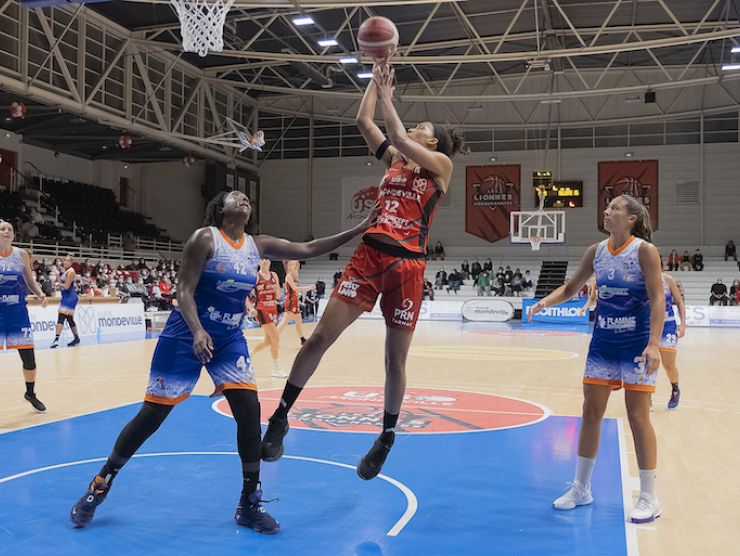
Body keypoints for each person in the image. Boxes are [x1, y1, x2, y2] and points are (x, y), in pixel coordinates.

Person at [68, 190, 378, 533]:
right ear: (220, 210)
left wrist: (360, 228)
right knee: (152, 416)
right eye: (235, 196)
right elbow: (183, 290)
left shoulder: (256, 245)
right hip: (186, 333)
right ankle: (101, 483)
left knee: (249, 412)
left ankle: (249, 503)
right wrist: (199, 331)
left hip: (230, 338)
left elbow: (309, 248)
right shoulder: (205, 238)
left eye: (247, 198)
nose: (243, 199)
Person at [260, 59, 466, 481]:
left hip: (408, 266)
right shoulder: (394, 159)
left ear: (436, 142)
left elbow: (394, 133)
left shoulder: (441, 168)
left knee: (394, 361)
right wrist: (375, 83)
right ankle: (280, 416)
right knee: (318, 338)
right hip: (369, 256)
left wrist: (390, 97)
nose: (414, 128)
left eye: (422, 127)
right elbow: (363, 119)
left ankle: (386, 437)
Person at [527, 194, 665, 523]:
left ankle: (649, 496)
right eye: (606, 207)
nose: (607, 211)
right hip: (603, 342)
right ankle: (581, 488)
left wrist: (655, 344)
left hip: (635, 345)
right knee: (590, 413)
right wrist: (543, 302)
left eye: (615, 208)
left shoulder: (645, 251)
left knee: (638, 417)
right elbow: (572, 286)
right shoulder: (596, 251)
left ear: (632, 218)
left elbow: (658, 299)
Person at [0, 219, 48, 412]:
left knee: (29, 357)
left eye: (9, 229)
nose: (6, 231)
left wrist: (40, 293)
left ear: (14, 234)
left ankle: (30, 393)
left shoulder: (22, 254)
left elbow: (29, 279)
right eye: (2, 229)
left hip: (17, 311)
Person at [245, 258, 286, 378]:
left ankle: (250, 355)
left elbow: (278, 295)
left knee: (268, 341)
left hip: (273, 308)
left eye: (267, 260)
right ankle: (276, 367)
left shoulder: (274, 275)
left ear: (270, 262)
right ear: (258, 262)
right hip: (261, 309)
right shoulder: (256, 276)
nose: (264, 261)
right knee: (275, 337)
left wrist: (276, 289)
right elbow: (245, 295)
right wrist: (250, 308)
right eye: (262, 260)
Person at [659, 273, 686, 410]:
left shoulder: (667, 279)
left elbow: (679, 301)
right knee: (645, 364)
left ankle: (675, 389)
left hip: (667, 326)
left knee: (668, 365)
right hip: (646, 326)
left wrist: (682, 324)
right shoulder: (639, 277)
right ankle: (647, 398)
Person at [276, 260, 315, 346]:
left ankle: (302, 339)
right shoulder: (289, 276)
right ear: (289, 266)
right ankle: (273, 339)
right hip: (290, 301)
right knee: (284, 322)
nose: (294, 266)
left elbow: (296, 291)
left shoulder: (296, 276)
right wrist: (308, 287)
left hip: (295, 301)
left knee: (299, 321)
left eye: (295, 265)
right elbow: (294, 288)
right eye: (292, 264)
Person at [51, 254, 80, 348]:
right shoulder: (66, 271)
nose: (65, 262)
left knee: (61, 316)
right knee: (69, 318)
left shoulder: (70, 272)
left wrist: (56, 284)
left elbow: (66, 286)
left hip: (69, 297)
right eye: (64, 260)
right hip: (68, 296)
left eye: (67, 261)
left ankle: (56, 339)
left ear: (71, 262)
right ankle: (76, 338)